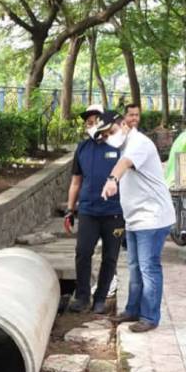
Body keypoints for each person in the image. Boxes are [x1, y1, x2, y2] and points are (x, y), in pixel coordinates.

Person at [100, 117, 176, 332]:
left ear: (124, 125)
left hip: (152, 218)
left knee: (148, 267)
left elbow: (124, 164)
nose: (109, 138)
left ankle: (150, 317)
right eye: (104, 136)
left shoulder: (138, 143)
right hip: (135, 219)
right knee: (134, 267)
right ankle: (132, 310)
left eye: (111, 131)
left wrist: (112, 180)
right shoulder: (125, 145)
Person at [65, 106, 125, 314]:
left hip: (114, 211)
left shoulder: (118, 146)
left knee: (110, 257)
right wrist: (70, 210)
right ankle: (82, 297)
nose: (91, 126)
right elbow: (76, 182)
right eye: (88, 123)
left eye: (95, 121)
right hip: (88, 211)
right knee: (83, 252)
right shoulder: (82, 148)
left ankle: (100, 298)